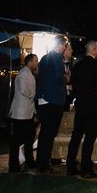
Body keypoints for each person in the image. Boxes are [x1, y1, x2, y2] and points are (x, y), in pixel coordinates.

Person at [67, 40, 97, 177]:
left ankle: (70, 166)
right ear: (94, 49)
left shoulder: (78, 65)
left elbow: (74, 84)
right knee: (89, 138)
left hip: (81, 105)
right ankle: (86, 168)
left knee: (76, 136)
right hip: (93, 105)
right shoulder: (96, 65)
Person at [35, 35, 69, 173]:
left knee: (44, 133)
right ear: (62, 44)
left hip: (44, 99)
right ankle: (44, 163)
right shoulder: (56, 58)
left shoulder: (44, 58)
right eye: (65, 45)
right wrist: (66, 78)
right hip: (53, 100)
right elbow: (58, 78)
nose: (65, 48)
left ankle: (41, 162)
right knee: (49, 133)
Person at [8, 53, 38, 172]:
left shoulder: (28, 73)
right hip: (21, 113)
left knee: (28, 137)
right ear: (29, 62)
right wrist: (33, 95)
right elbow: (24, 90)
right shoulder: (23, 74)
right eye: (35, 61)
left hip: (26, 112)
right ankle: (15, 164)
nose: (36, 63)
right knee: (18, 139)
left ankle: (28, 161)